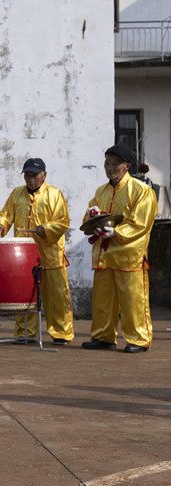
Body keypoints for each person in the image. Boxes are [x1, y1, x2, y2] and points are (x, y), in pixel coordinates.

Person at [81, 144, 157, 353]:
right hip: (104, 255)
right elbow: (88, 217)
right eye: (107, 163)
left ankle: (138, 339)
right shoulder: (101, 191)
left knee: (133, 300)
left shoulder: (141, 191)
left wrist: (115, 232)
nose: (110, 167)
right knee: (102, 299)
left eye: (115, 163)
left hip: (128, 255)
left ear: (127, 166)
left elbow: (140, 223)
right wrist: (93, 219)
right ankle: (103, 336)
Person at [0, 158, 73, 345]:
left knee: (57, 298)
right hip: (23, 258)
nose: (31, 179)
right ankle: (25, 333)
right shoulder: (16, 194)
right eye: (27, 175)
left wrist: (47, 229)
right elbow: (5, 214)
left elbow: (62, 221)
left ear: (44, 175)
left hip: (51, 255)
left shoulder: (54, 194)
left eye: (34, 175)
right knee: (25, 296)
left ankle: (61, 333)